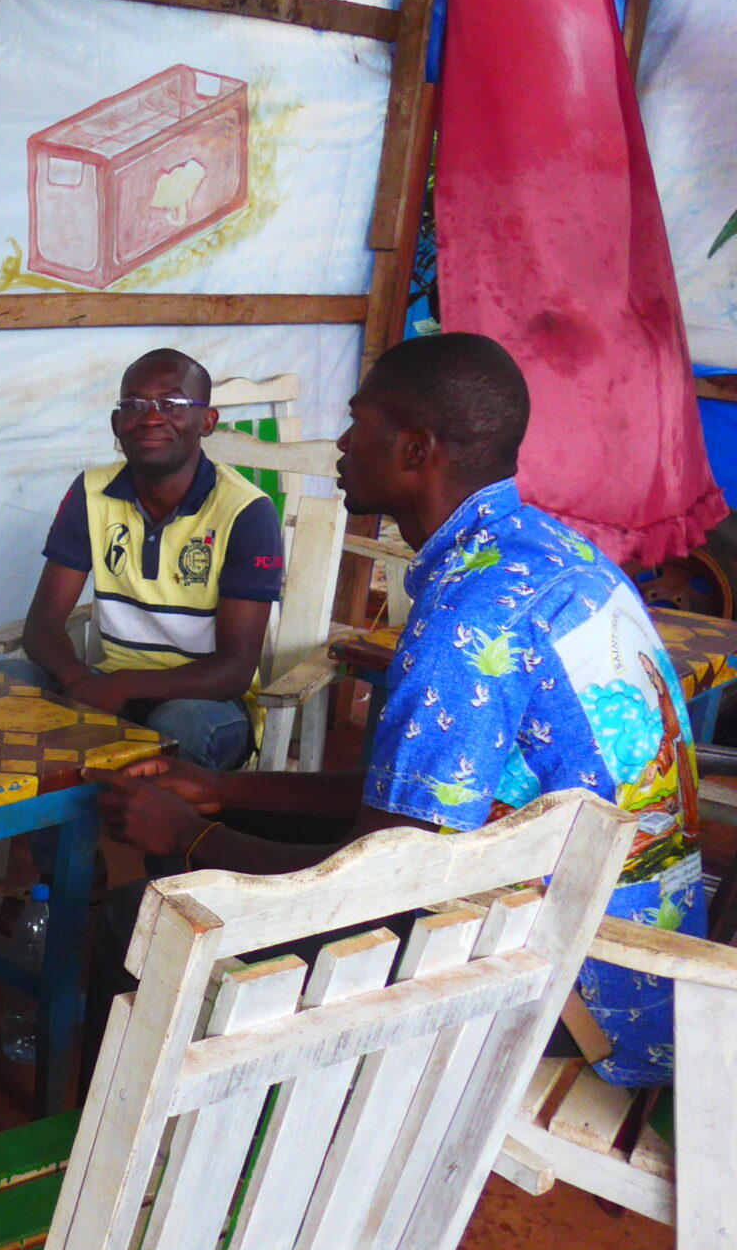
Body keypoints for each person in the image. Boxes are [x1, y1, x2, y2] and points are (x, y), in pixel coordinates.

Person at [97, 331, 706, 1089]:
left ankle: (195, 1137)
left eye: (359, 423)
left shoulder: (468, 619)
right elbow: (416, 801)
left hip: (575, 993)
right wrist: (226, 790)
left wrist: (192, 837)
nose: (342, 444)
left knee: (141, 919)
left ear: (417, 450)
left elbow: (388, 881)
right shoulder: (544, 551)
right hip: (625, 955)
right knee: (219, 845)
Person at [0, 348, 285, 771]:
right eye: (134, 405)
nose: (151, 418)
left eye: (172, 404)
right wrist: (80, 680)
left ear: (207, 421)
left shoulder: (245, 511)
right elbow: (42, 623)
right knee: (4, 682)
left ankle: (148, 817)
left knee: (178, 723)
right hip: (107, 682)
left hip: (208, 702)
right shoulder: (91, 492)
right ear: (117, 423)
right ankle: (41, 816)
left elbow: (234, 670)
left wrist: (124, 687)